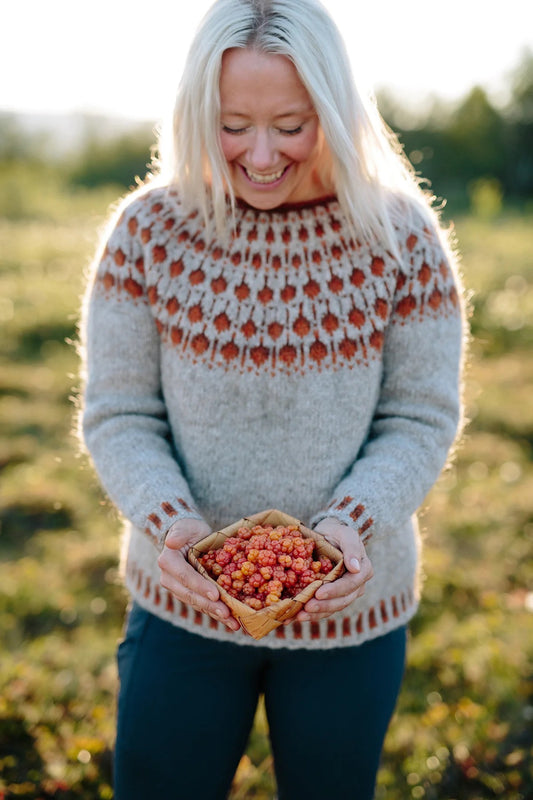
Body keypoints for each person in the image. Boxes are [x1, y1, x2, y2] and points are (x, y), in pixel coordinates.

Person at [80, 0, 466, 797]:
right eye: (232, 124)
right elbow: (119, 413)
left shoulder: (400, 239)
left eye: (291, 124)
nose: (259, 154)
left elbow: (419, 415)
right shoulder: (148, 233)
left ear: (334, 107)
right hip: (181, 603)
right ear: (196, 113)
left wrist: (347, 526)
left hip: (352, 616)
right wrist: (172, 525)